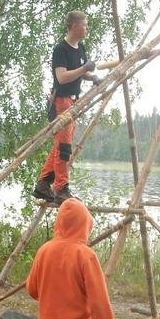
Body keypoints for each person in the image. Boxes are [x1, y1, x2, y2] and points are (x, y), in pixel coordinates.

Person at [32, 11, 101, 206]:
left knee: (60, 144)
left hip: (73, 101)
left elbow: (79, 73)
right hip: (60, 101)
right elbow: (62, 77)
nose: (87, 28)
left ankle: (44, 183)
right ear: (74, 26)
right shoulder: (60, 50)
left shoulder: (81, 48)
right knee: (64, 148)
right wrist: (84, 69)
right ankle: (61, 189)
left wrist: (91, 77)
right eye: (85, 25)